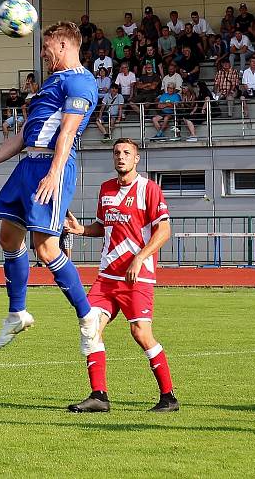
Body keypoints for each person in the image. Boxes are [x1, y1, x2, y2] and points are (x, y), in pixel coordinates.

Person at [0, 21, 102, 351]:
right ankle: (17, 313)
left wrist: (54, 173)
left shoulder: (80, 81)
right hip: (27, 165)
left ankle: (87, 315)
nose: (43, 54)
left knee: (46, 247)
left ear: (63, 45)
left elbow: (67, 132)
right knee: (8, 237)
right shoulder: (52, 83)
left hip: (51, 164)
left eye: (46, 48)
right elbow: (22, 137)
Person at [64, 138, 178, 413]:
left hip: (137, 278)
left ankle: (169, 397)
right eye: (117, 153)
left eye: (127, 153)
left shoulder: (149, 189)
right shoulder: (105, 189)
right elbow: (103, 226)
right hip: (107, 277)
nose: (121, 157)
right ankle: (99, 396)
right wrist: (81, 230)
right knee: (90, 327)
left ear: (136, 159)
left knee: (140, 333)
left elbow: (164, 231)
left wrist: (140, 258)